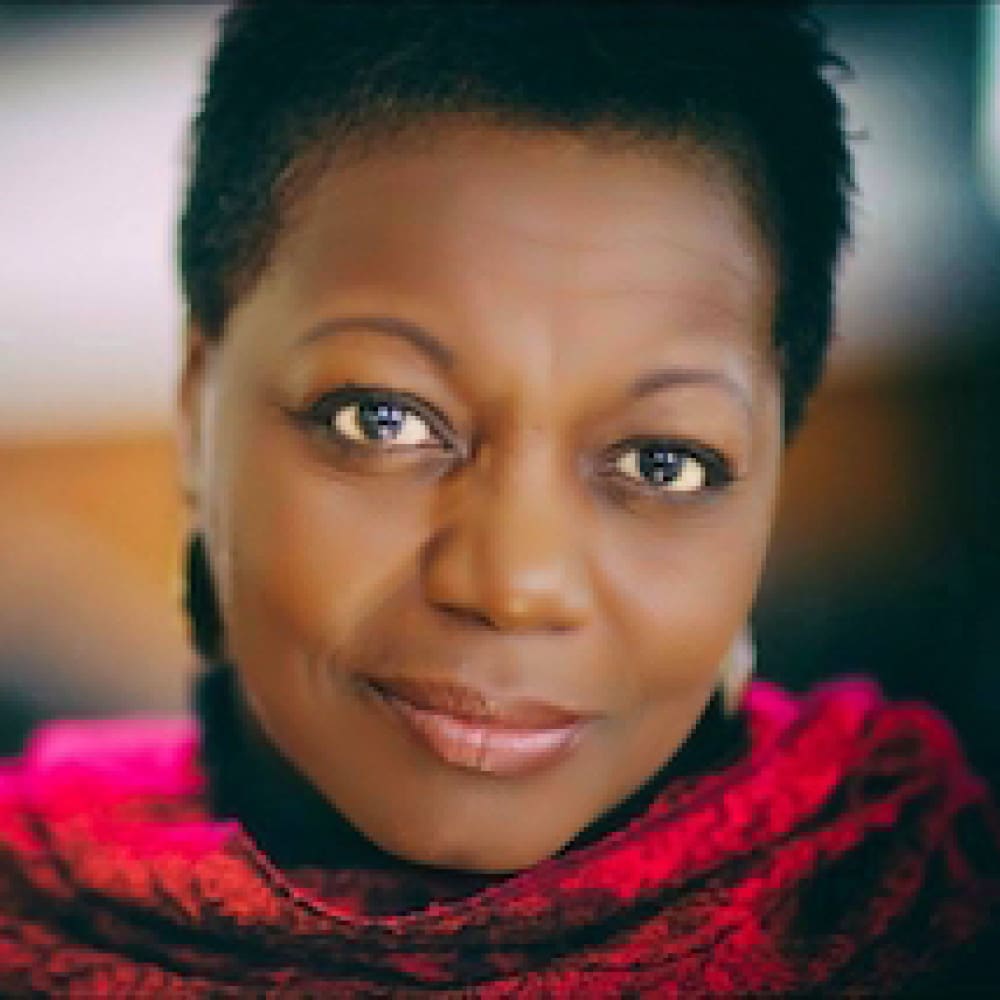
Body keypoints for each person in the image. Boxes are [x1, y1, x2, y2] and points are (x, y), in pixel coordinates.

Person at [1, 2, 997, 994]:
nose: (514, 583)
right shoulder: (31, 905)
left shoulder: (919, 918)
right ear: (195, 402)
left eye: (663, 463)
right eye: (383, 419)